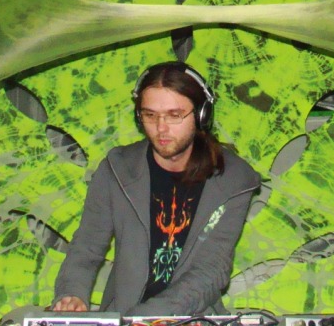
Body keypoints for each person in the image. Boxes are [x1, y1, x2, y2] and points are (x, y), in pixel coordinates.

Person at [50, 61, 260, 316]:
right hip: (125, 313)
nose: (161, 128)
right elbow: (87, 245)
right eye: (150, 115)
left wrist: (144, 319)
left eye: (174, 115)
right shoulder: (116, 169)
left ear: (202, 115)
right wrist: (71, 293)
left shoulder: (234, 181)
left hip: (192, 316)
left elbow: (211, 272)